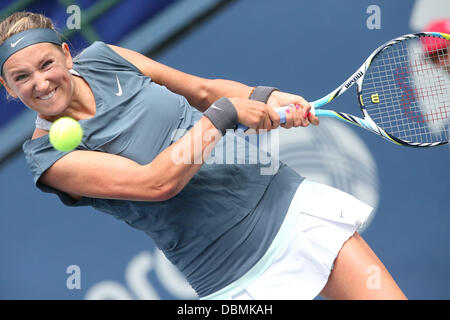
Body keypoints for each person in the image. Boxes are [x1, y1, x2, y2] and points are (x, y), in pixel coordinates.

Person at [0, 11, 407, 300]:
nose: (41, 82)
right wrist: (224, 117)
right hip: (230, 274)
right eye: (22, 77)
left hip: (291, 207)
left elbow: (203, 91)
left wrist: (263, 97)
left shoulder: (107, 58)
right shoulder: (49, 159)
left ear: (67, 55)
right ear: (6, 87)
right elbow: (157, 183)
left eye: (47, 64)